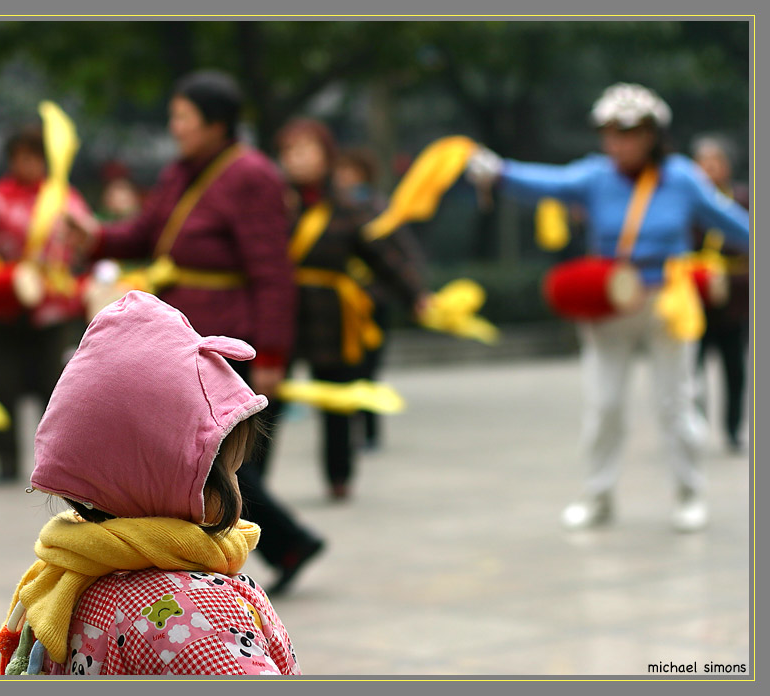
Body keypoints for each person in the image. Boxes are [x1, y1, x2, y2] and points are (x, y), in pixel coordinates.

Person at [67, 70, 323, 595]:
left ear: (217, 123)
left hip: (236, 341)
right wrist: (95, 239)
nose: (174, 126)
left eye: (183, 116)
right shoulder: (179, 173)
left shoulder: (252, 175)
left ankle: (279, 544)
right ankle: (278, 544)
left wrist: (273, 352)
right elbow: (147, 233)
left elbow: (273, 271)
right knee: (201, 455)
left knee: (215, 457)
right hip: (187, 339)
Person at [465, 83, 750, 533]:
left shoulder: (681, 177)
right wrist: (497, 172)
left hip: (666, 302)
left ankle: (689, 494)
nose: (620, 142)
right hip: (611, 299)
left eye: (631, 132)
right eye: (611, 132)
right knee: (604, 404)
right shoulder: (595, 176)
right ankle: (597, 496)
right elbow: (545, 183)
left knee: (675, 403)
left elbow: (731, 223)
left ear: (653, 134)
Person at [0, 291, 301, 676]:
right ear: (179, 481)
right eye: (230, 471)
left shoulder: (65, 584)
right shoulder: (195, 616)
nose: (238, 487)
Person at [275, 119, 428, 499]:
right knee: (265, 401)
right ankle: (251, 483)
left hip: (332, 312)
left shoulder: (347, 206)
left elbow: (383, 255)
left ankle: (339, 477)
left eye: (306, 150)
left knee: (337, 398)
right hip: (281, 310)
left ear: (327, 157)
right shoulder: (272, 206)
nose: (298, 159)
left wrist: (416, 296)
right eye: (290, 152)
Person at [0, 124, 95, 484]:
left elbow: (87, 238)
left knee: (53, 390)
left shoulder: (63, 198)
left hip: (51, 310)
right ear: (11, 160)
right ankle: (6, 462)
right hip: (4, 307)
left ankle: (56, 462)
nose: (28, 164)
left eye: (36, 157)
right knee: (1, 389)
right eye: (21, 157)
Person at [690, 134, 750, 453]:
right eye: (704, 163)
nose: (710, 169)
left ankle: (732, 429)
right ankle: (692, 427)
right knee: (689, 372)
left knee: (734, 369)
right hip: (694, 301)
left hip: (734, 301)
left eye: (716, 162)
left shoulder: (742, 200)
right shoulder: (687, 202)